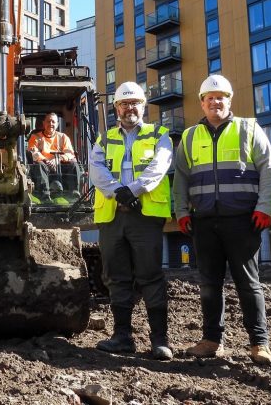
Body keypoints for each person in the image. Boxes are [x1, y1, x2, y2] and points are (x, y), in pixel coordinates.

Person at [173, 74, 271, 365]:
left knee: (249, 283)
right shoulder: (190, 136)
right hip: (204, 221)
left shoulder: (248, 129)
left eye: (220, 98)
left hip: (243, 220)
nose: (215, 102)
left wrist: (265, 207)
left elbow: (269, 170)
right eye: (209, 99)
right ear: (202, 103)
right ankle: (211, 340)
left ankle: (259, 343)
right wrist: (181, 211)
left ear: (229, 100)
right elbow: (180, 177)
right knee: (209, 283)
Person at [88, 81, 174, 360]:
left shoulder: (159, 134)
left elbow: (159, 167)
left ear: (143, 106)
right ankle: (122, 336)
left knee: (150, 276)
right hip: (113, 216)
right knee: (117, 278)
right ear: (116, 108)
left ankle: (160, 340)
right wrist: (118, 193)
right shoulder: (104, 138)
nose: (130, 108)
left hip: (144, 216)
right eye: (124, 104)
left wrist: (132, 191)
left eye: (135, 102)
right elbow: (96, 169)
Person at [28, 112, 81, 201]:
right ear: (43, 123)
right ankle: (45, 195)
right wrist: (46, 160)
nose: (51, 124)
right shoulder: (35, 137)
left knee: (73, 164)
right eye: (48, 121)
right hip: (44, 166)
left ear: (57, 124)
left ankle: (73, 194)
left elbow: (70, 153)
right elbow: (34, 152)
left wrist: (58, 160)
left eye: (53, 122)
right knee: (39, 165)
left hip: (60, 166)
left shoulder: (63, 137)